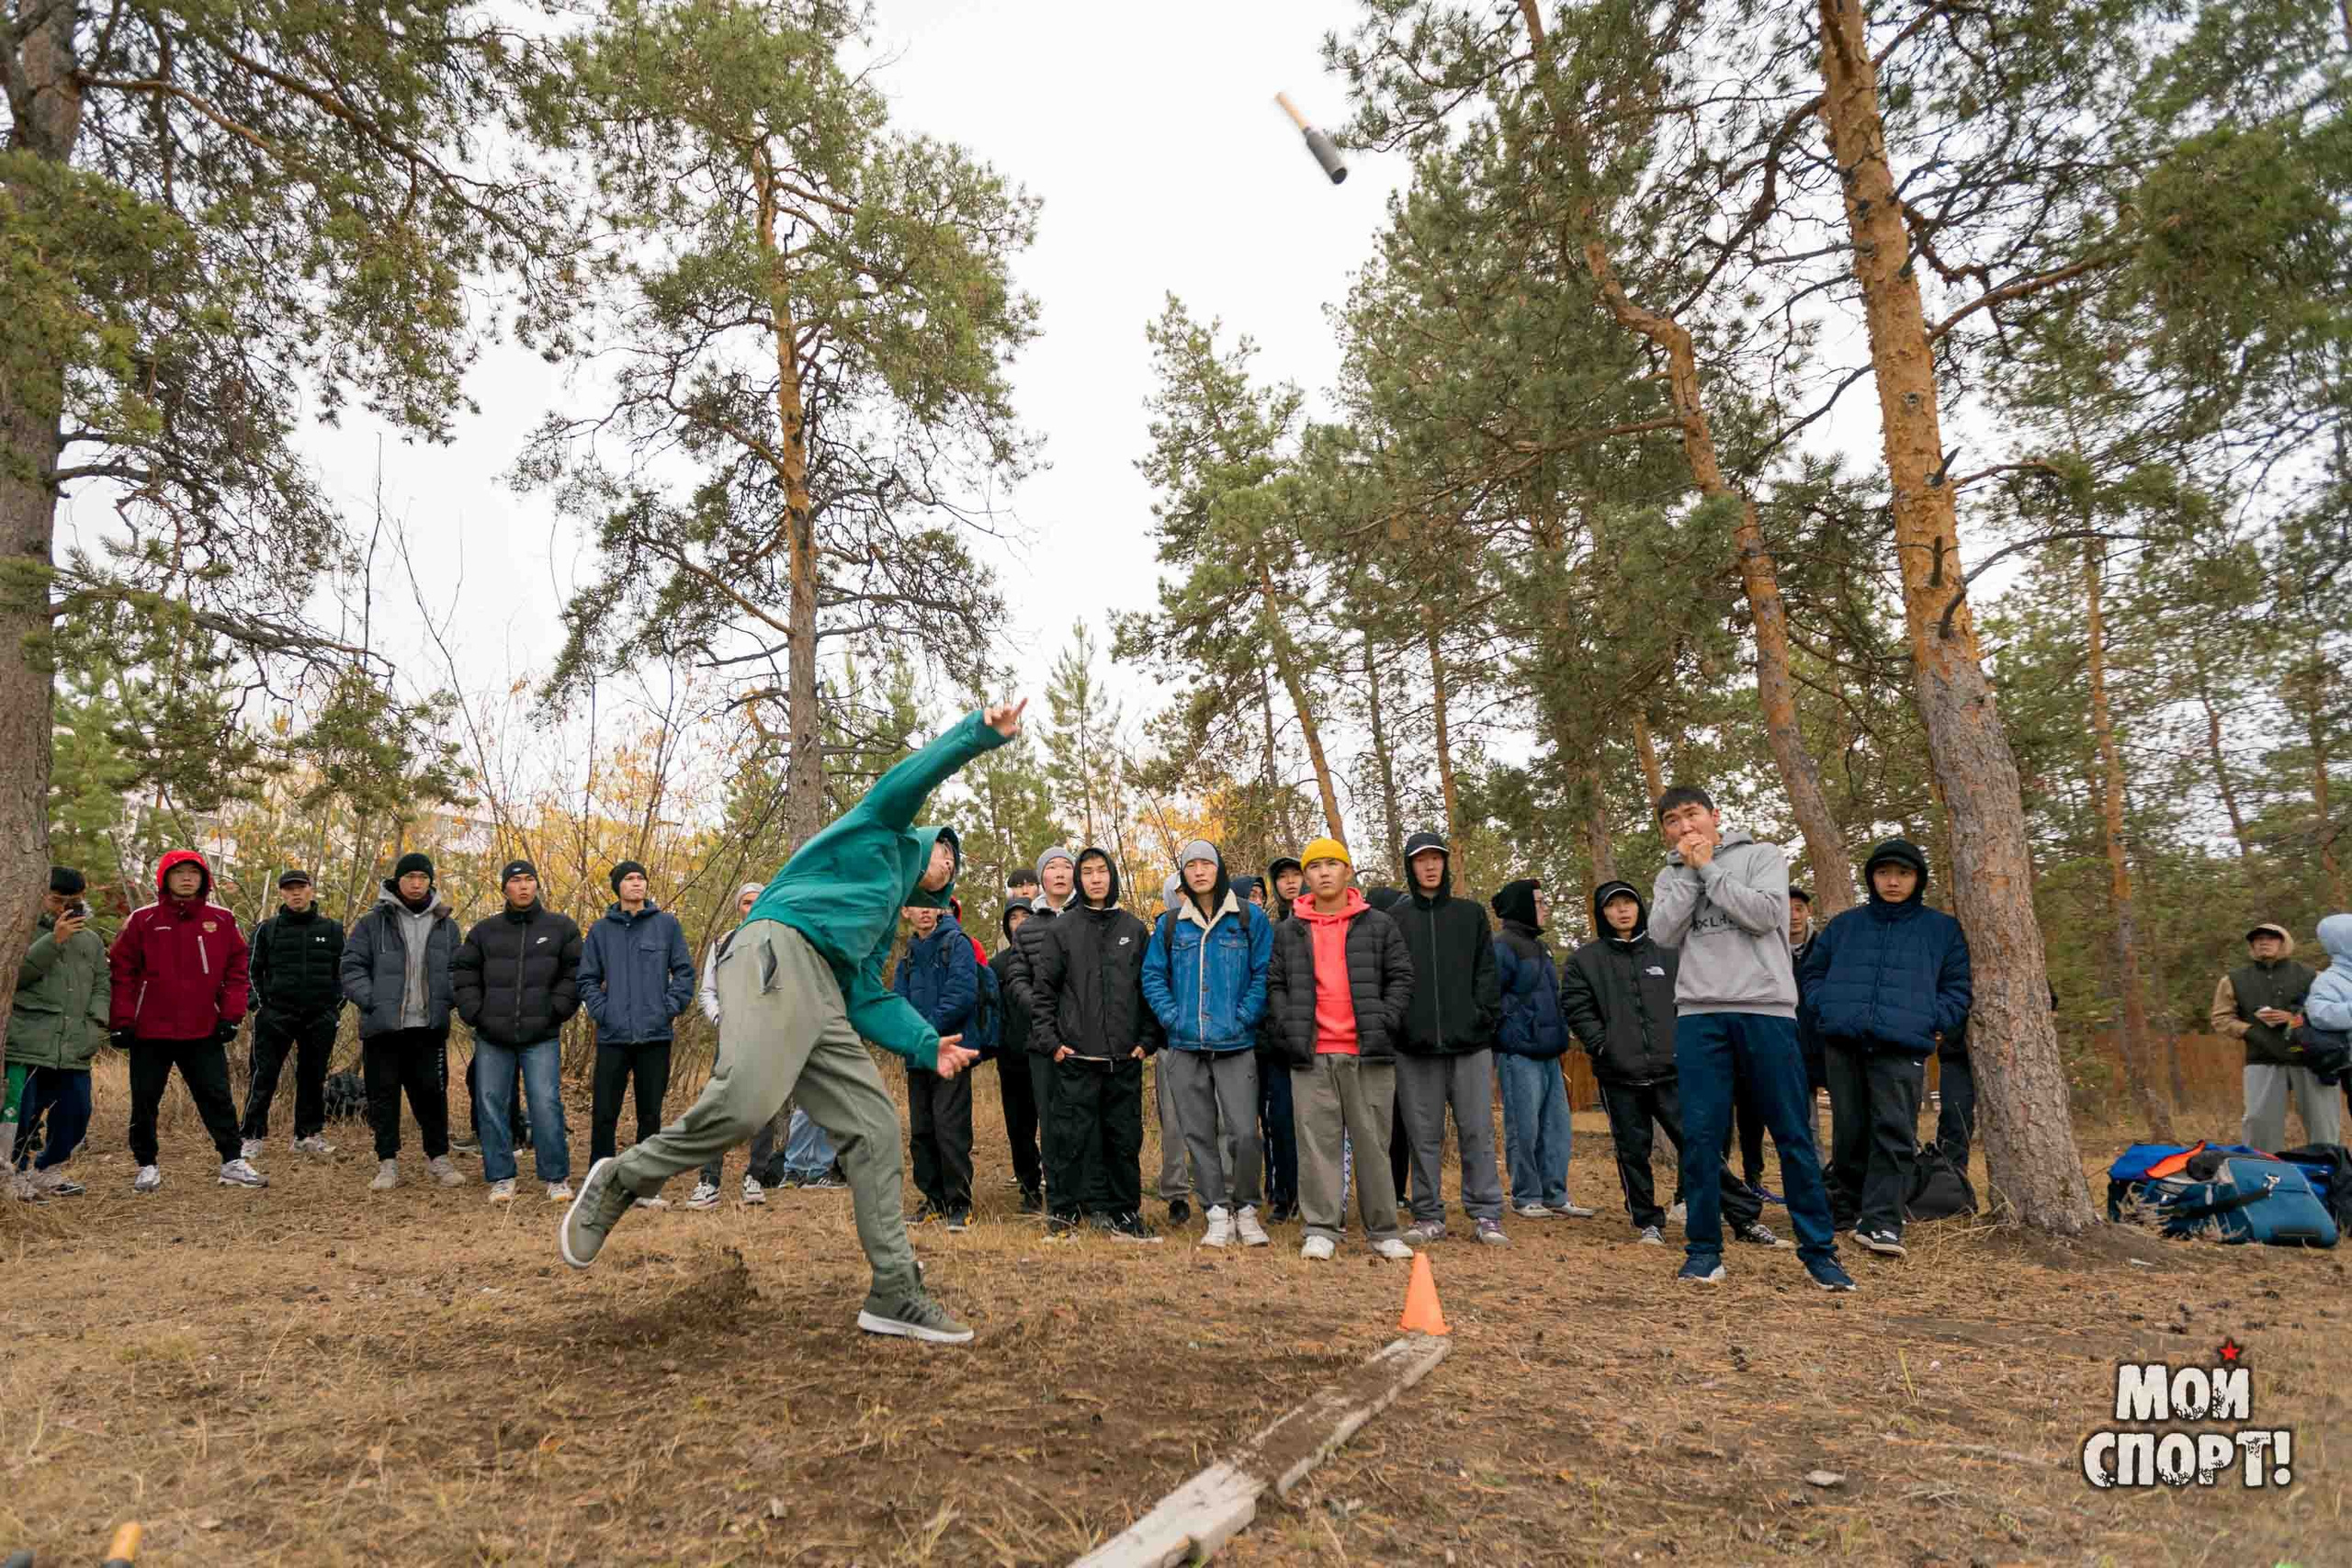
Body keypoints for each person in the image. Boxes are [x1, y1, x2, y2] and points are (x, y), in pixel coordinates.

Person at [560, 703, 1021, 1348]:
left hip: (823, 994)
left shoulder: (882, 922)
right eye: (945, 850)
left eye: (954, 866)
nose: (948, 863)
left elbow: (864, 996)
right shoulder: (880, 828)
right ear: (928, 842)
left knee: (874, 1125)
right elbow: (915, 775)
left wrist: (923, 1041)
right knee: (748, 1102)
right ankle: (623, 1177)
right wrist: (979, 733)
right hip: (775, 945)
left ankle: (893, 1287)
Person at [1649, 787, 1851, 1291]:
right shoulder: (1670, 875)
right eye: (1672, 821)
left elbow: (1764, 915)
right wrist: (1693, 873)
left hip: (1765, 1009)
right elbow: (1662, 932)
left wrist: (1711, 869)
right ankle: (1703, 1251)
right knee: (1700, 1138)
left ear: (1715, 816)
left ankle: (1819, 1253)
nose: (1684, 827)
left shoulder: (1761, 856)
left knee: (1792, 1134)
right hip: (1700, 1014)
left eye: (1692, 815)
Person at [1561, 880, 1768, 1246]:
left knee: (1699, 1144)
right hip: (1619, 1075)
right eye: (1612, 906)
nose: (1622, 911)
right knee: (1632, 1151)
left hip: (1673, 1072)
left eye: (1628, 903)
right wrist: (1603, 1045)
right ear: (1601, 913)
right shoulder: (1585, 960)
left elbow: (1691, 998)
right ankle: (1647, 1222)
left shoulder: (1667, 951)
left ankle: (1743, 1217)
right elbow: (1577, 1009)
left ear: (1640, 907)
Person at [1798, 840, 1973, 1258]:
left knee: (1894, 1133)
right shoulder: (1845, 926)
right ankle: (1847, 1211)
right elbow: (1813, 974)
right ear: (1872, 878)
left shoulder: (1941, 929)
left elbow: (1957, 988)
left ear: (1918, 879)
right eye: (1883, 873)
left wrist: (1930, 1020)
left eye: (1903, 874)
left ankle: (1881, 1223)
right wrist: (1828, 1008)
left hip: (1901, 1046)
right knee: (1850, 1132)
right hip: (1844, 1043)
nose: (1892, 882)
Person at [1265, 838, 1417, 1262]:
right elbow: (1275, 984)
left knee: (1373, 1143)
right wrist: (1289, 1029)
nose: (1324, 872)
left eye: (1333, 864)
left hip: (1368, 1052)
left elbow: (1402, 977)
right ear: (1306, 878)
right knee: (1317, 1144)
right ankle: (1321, 1228)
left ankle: (1384, 1229)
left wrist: (1385, 1020)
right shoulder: (1289, 930)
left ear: (1348, 872)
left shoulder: (1379, 924)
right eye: (1316, 867)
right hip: (1311, 1054)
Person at [109, 850, 266, 1191]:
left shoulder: (221, 920)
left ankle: (232, 1161)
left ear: (204, 879)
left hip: (202, 1027)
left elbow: (237, 971)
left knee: (217, 1096)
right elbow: (122, 971)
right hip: (150, 1028)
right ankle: (147, 1165)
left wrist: (231, 1015)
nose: (186, 878)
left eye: (193, 873)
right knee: (145, 1098)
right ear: (165, 878)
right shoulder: (143, 920)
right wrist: (122, 1020)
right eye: (178, 872)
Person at [1143, 840, 1273, 1247]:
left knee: (1244, 1134)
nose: (1199, 871)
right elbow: (1152, 977)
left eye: (1206, 863)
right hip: (1185, 1046)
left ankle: (1247, 1209)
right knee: (1198, 1134)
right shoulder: (1169, 925)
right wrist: (1172, 1018)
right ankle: (1216, 1211)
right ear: (1183, 874)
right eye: (1190, 865)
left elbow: (1263, 974)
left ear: (1219, 868)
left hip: (1236, 1044)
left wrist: (1242, 1017)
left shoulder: (1249, 919)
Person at [1031, 846, 1162, 1242]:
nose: (1094, 878)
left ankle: (1124, 1213)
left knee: (1123, 1140)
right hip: (1076, 1057)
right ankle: (1064, 1212)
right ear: (1078, 879)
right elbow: (1044, 993)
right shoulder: (1062, 930)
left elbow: (1148, 989)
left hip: (1123, 1057)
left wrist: (1146, 1041)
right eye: (1086, 872)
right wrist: (1052, 1043)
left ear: (1111, 876)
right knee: (1071, 1138)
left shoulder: (1134, 929)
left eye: (1101, 871)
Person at [1387, 832, 1508, 1246]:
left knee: (1477, 1130)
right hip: (1414, 1047)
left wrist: (1481, 1018)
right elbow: (1390, 978)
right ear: (1410, 867)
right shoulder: (1397, 920)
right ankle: (1427, 1215)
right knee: (1423, 1135)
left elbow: (1487, 974)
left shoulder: (1470, 914)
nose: (1430, 866)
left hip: (1470, 1045)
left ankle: (1487, 1214)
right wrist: (1399, 1025)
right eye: (1421, 860)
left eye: (1436, 858)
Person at [455, 859, 581, 1201]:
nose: (524, 886)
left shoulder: (561, 928)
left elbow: (574, 974)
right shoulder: (484, 931)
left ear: (537, 885)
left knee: (545, 1103)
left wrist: (557, 1010)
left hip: (541, 1035)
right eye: (516, 881)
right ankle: (501, 1177)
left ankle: (556, 1177)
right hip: (493, 1035)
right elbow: (464, 973)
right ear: (505, 888)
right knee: (491, 1102)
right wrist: (475, 1013)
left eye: (529, 880)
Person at [343, 852, 467, 1192]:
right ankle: (387, 1163)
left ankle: (438, 1158)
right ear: (397, 881)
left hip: (428, 1028)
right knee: (383, 1097)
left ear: (430, 882)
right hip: (384, 1028)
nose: (416, 883)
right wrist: (373, 1002)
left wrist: (448, 1000)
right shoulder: (373, 922)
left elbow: (459, 971)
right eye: (410, 877)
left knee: (432, 1095)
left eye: (422, 877)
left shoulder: (446, 925)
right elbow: (352, 967)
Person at [581, 861, 696, 1191]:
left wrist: (667, 1009)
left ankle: (646, 1183)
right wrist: (604, 1012)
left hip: (655, 1035)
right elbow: (587, 979)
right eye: (629, 879)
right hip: (613, 1036)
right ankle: (599, 1179)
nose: (636, 884)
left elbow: (684, 973)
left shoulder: (666, 925)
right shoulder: (601, 931)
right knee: (604, 1112)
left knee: (650, 1113)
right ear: (617, 887)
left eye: (640, 878)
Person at [687, 882, 802, 1209]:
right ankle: (708, 1181)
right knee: (718, 1107)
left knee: (763, 1108)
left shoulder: (780, 943)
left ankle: (755, 1176)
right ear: (738, 907)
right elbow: (707, 991)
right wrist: (721, 1019)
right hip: (731, 1039)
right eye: (747, 902)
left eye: (758, 901)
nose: (752, 907)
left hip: (765, 1038)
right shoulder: (722, 942)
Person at [1488, 879, 1591, 1221]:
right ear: (1521, 904)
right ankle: (1526, 1195)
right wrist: (1514, 1030)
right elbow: (1490, 997)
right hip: (1519, 1054)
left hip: (1550, 1052)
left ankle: (1555, 1194)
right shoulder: (1502, 946)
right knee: (1524, 1127)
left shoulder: (1542, 947)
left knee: (1557, 1128)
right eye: (1539, 900)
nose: (1546, 905)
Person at [6, 868, 109, 1196]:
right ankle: (15, 1173)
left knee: (76, 1112)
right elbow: (15, 977)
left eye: (73, 901)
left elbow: (102, 984)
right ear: (40, 896)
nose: (64, 907)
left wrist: (96, 1024)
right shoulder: (19, 930)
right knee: (21, 1114)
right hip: (27, 1040)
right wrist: (54, 939)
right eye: (57, 900)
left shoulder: (90, 940)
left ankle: (49, 1169)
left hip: (74, 1044)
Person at [238, 869, 345, 1163]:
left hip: (319, 1017)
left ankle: (307, 1136)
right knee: (263, 1077)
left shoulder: (333, 929)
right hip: (275, 1015)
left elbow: (345, 972)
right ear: (282, 894)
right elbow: (250, 970)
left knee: (313, 1078)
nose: (296, 893)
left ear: (311, 890)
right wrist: (259, 1006)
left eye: (301, 887)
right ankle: (251, 1136)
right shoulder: (266, 929)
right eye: (289, 889)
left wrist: (334, 1008)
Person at [894, 891, 979, 1230]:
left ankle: (960, 1203)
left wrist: (924, 1032)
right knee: (922, 1130)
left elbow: (962, 994)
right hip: (919, 1057)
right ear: (905, 912)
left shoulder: (957, 943)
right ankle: (933, 1201)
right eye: (917, 904)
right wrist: (913, 1037)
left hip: (952, 1052)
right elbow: (897, 1001)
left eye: (931, 904)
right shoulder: (908, 955)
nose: (925, 911)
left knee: (951, 1128)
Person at [2211, 921, 2334, 1151]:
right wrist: (2250, 1031)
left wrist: (2294, 1019)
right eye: (2257, 939)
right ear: (2252, 946)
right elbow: (2221, 1018)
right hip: (2262, 1058)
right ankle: (2262, 1178)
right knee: (2258, 1124)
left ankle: (2329, 1178)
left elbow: (2330, 1014)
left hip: (2311, 1059)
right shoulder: (2233, 980)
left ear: (2284, 942)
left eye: (2271, 937)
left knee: (2323, 1127)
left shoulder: (2313, 976)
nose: (2263, 942)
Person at [1257, 854, 1306, 1222]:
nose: (1291, 882)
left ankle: (1319, 1197)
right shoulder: (1270, 931)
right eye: (1283, 877)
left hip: (1323, 1039)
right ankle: (1282, 1195)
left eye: (1295, 875)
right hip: (1278, 1043)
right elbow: (1268, 985)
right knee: (1280, 1123)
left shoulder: (1328, 926)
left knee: (1319, 1127)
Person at [993, 899, 1045, 1213]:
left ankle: (1061, 1183)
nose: (1021, 922)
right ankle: (1029, 1187)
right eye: (1014, 917)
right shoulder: (997, 966)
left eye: (1027, 915)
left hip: (1048, 1053)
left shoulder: (1050, 958)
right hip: (1011, 1057)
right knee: (1020, 1128)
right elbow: (990, 1010)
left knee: (1055, 1125)